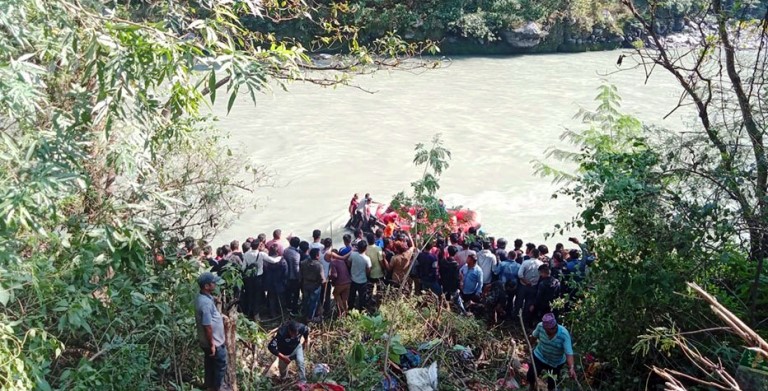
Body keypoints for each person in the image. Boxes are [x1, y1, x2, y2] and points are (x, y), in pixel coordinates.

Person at [526, 313, 576, 391]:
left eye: (549, 331)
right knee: (531, 375)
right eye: (545, 330)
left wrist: (571, 368)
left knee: (552, 384)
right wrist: (529, 347)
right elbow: (534, 337)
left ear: (554, 327)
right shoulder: (540, 326)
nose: (547, 333)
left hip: (555, 362)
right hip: (540, 356)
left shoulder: (564, 334)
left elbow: (569, 353)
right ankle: (532, 387)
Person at [195, 272, 227, 391]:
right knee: (220, 365)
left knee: (210, 364)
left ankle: (209, 385)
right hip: (214, 343)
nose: (215, 284)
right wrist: (212, 344)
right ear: (206, 286)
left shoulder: (202, 298)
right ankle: (218, 388)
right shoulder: (205, 304)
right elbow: (207, 325)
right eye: (213, 283)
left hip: (206, 341)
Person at [517, 248, 543, 326]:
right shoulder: (541, 264)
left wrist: (526, 282)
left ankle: (517, 317)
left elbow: (520, 274)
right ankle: (526, 319)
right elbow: (542, 276)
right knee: (529, 303)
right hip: (534, 286)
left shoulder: (525, 262)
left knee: (519, 302)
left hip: (523, 285)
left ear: (531, 254)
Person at [263, 244, 288, 318]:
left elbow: (264, 272)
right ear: (277, 252)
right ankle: (281, 313)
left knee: (271, 299)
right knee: (281, 299)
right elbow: (286, 273)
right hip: (280, 283)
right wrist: (284, 283)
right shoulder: (282, 261)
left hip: (270, 283)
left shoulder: (266, 261)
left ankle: (272, 313)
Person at [300, 248, 325, 322]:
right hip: (315, 286)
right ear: (317, 255)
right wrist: (324, 281)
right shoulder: (319, 265)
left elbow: (300, 273)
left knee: (306, 299)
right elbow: (322, 279)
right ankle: (310, 318)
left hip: (305, 284)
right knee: (313, 302)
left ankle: (305, 314)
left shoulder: (303, 262)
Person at [328, 247, 353, 317]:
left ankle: (341, 311)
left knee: (335, 294)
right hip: (348, 282)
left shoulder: (333, 263)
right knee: (345, 299)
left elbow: (334, 275)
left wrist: (330, 278)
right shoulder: (342, 261)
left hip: (340, 283)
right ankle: (346, 312)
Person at [348, 240, 372, 310]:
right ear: (366, 248)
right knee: (362, 298)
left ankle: (350, 310)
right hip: (362, 281)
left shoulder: (353, 254)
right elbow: (368, 270)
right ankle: (362, 311)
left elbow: (348, 263)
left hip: (353, 279)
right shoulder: (367, 259)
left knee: (352, 296)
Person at [283, 237, 302, 314]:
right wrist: (299, 278)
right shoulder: (296, 254)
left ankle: (288, 307)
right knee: (296, 294)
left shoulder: (286, 250)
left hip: (286, 276)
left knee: (288, 292)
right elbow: (296, 268)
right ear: (298, 245)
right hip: (294, 277)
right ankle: (294, 310)